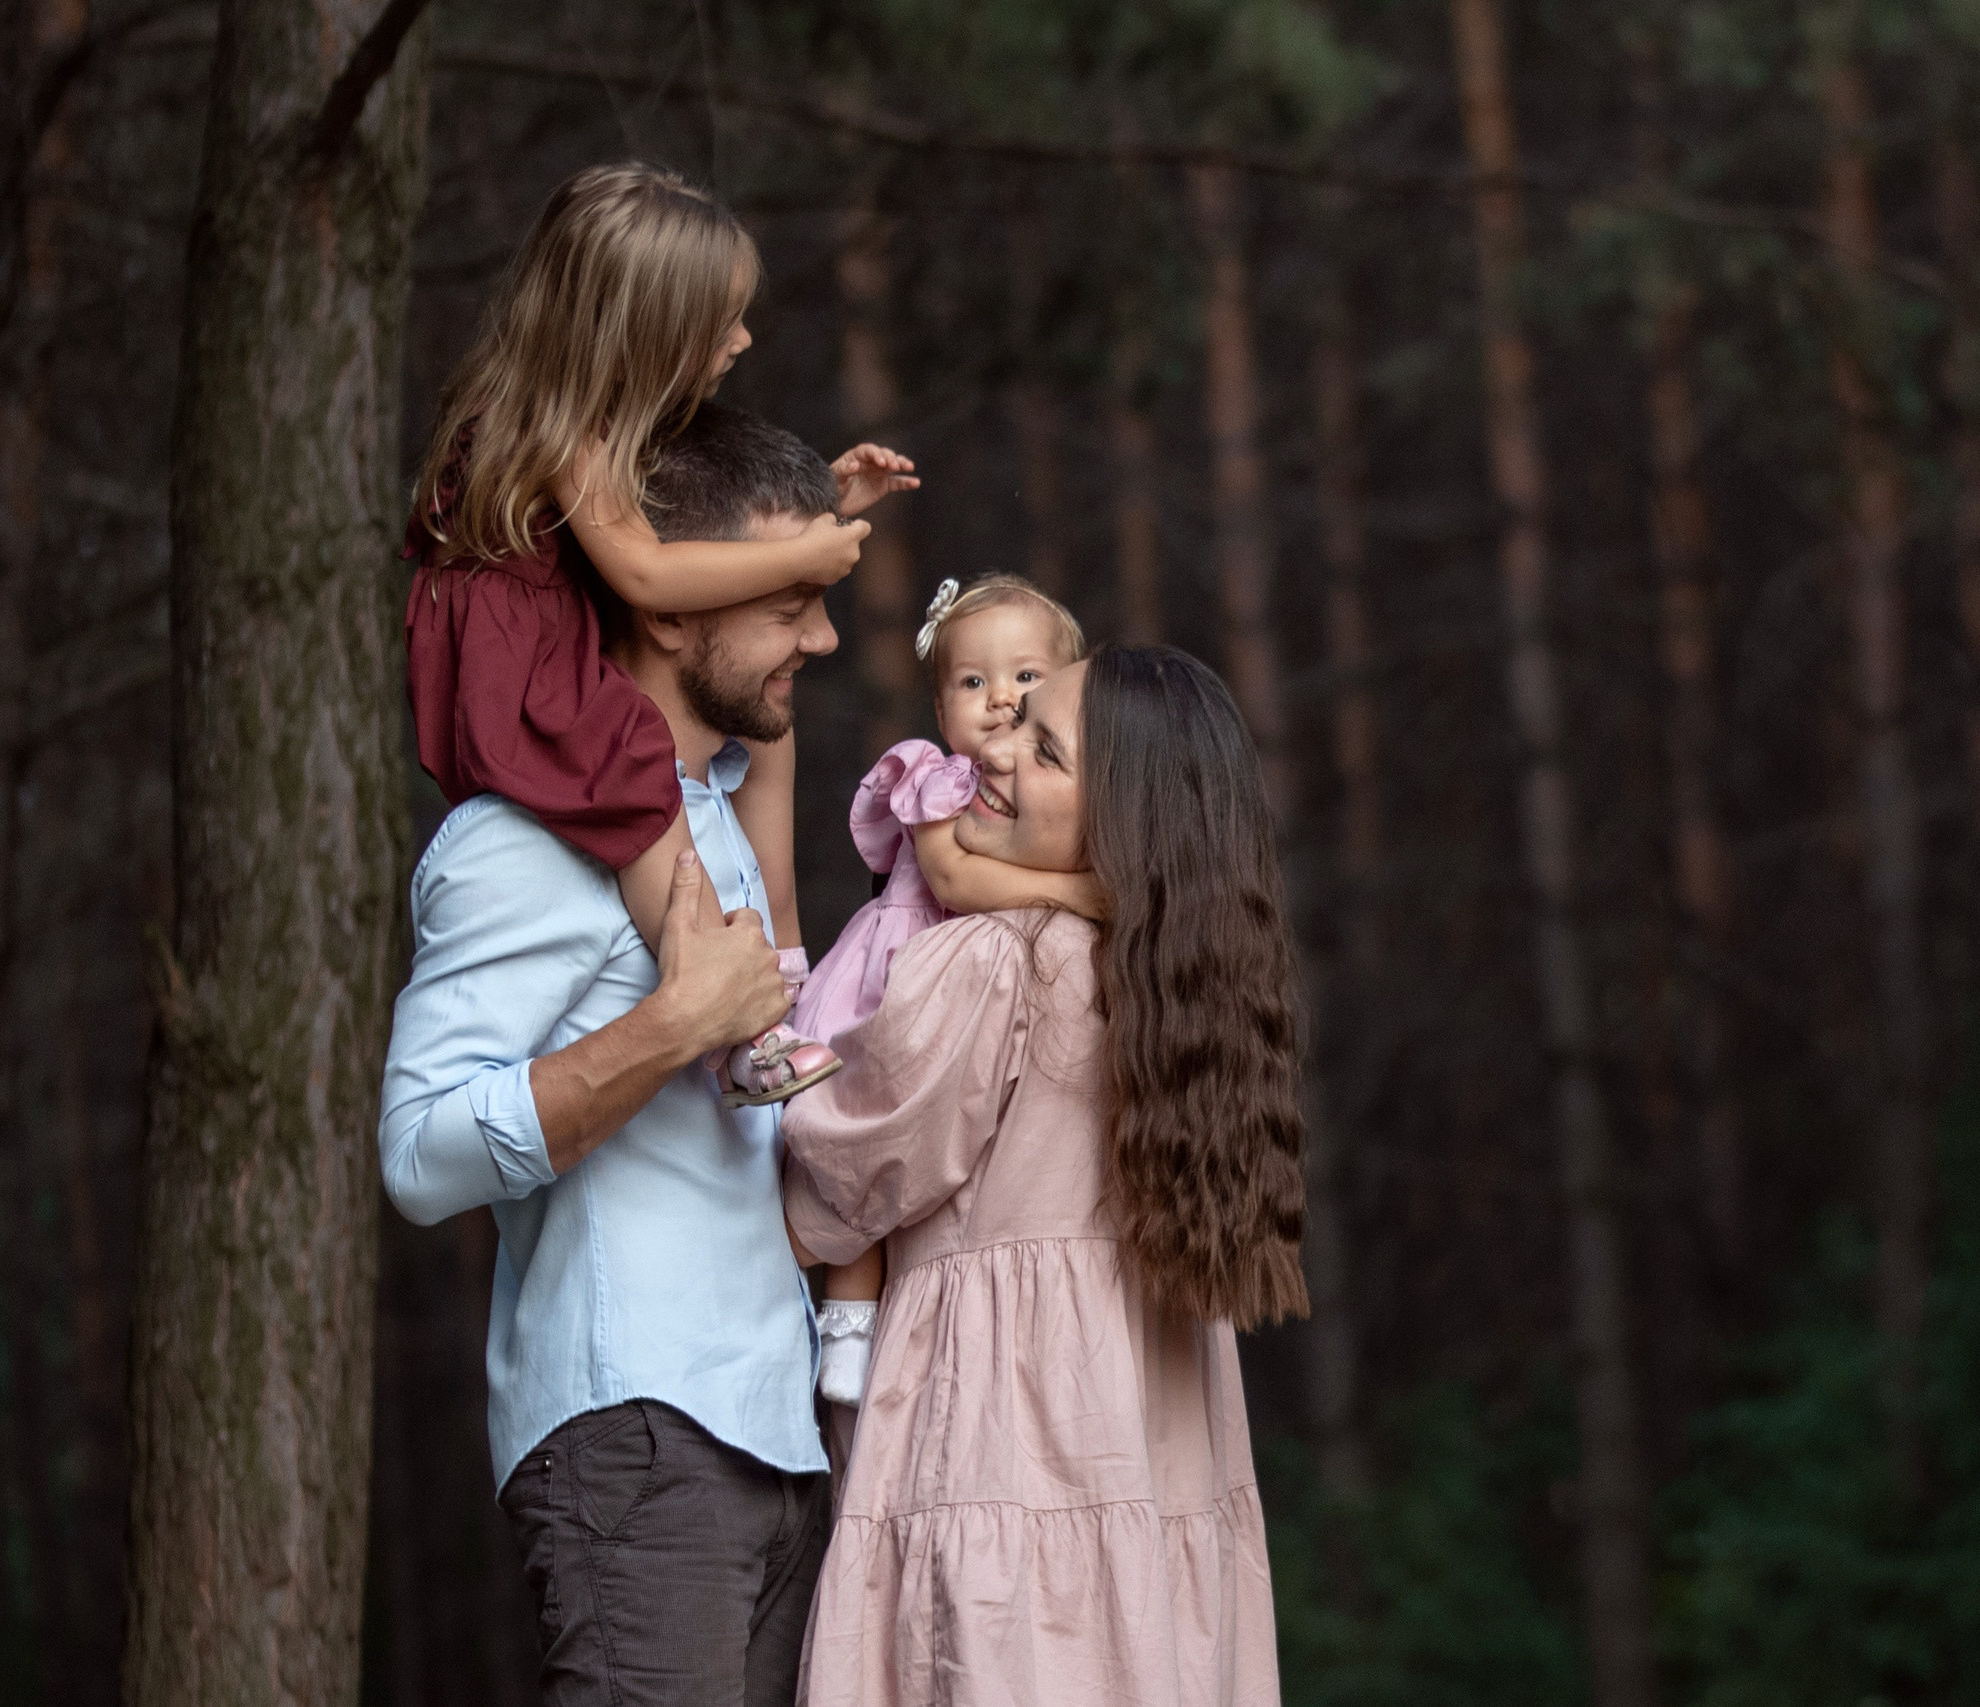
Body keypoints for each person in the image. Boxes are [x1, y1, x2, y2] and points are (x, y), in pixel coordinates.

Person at [378, 407, 848, 1707]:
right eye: (784, 598)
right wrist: (668, 1027)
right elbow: (417, 1154)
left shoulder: (720, 819)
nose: (822, 634)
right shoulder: (521, 839)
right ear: (675, 605)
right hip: (636, 1439)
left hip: (773, 1435)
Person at [781, 643, 1310, 1707]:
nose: (993, 746)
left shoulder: (998, 961)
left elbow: (833, 1184)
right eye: (1008, 716)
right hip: (1150, 1488)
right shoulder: (1182, 995)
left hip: (1003, 1454)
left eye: (1044, 745)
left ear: (1118, 819)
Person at [403, 159, 917, 1104]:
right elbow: (646, 570)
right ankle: (729, 1018)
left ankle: (780, 969)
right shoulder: (560, 426)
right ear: (640, 330)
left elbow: (687, 536)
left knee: (761, 725)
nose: (743, 337)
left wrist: (815, 515)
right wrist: (803, 560)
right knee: (634, 769)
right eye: (718, 324)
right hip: (528, 665)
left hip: (565, 630)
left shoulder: (596, 416)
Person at [790, 574, 1107, 1416]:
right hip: (897, 972)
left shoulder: (1071, 797)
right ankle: (848, 1321)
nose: (1001, 698)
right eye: (973, 682)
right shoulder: (935, 776)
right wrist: (1078, 896)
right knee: (867, 1160)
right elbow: (951, 875)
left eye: (1027, 679)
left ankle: (860, 1318)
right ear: (939, 711)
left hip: (962, 998)